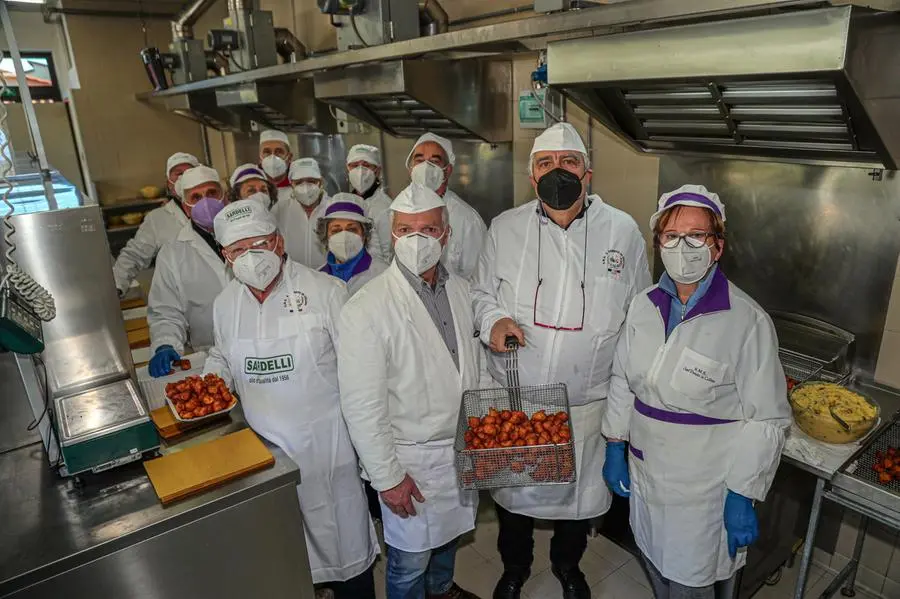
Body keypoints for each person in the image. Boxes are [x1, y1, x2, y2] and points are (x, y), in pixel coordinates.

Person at [471, 122, 651, 599]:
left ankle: (568, 567)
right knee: (515, 498)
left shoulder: (624, 232)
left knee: (577, 500)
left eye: (568, 163)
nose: (558, 172)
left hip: (586, 406)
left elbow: (639, 320)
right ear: (532, 177)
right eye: (545, 163)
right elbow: (481, 295)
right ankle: (515, 568)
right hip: (520, 399)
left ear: (587, 173)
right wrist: (491, 321)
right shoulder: (505, 229)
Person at [601, 184, 791, 599]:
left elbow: (767, 418)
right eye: (671, 236)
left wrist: (743, 491)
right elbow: (622, 379)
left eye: (697, 236)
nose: (682, 246)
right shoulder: (642, 306)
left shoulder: (746, 321)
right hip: (647, 474)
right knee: (653, 565)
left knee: (692, 584)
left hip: (703, 492)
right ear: (659, 243)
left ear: (717, 246)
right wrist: (615, 443)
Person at [204, 199, 379, 599]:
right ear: (225, 256)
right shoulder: (225, 304)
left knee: (345, 551)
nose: (251, 257)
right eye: (238, 250)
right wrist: (212, 377)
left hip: (326, 453)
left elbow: (362, 372)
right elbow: (222, 353)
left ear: (280, 242)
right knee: (284, 557)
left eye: (259, 244)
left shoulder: (326, 292)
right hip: (264, 457)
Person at [338, 184, 484, 599]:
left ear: (447, 234)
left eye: (429, 229)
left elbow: (469, 368)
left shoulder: (460, 289)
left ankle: (442, 591)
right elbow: (362, 407)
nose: (417, 239)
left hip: (459, 447)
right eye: (405, 229)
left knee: (449, 541)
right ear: (392, 234)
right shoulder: (366, 308)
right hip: (410, 460)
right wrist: (387, 478)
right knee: (408, 563)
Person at [147, 165, 231, 378]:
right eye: (196, 197)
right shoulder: (173, 253)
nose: (205, 202)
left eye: (212, 193)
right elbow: (166, 311)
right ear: (186, 208)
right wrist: (165, 343)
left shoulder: (252, 236)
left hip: (265, 347)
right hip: (211, 357)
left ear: (224, 197)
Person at [371, 132, 486, 280]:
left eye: (434, 161)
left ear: (448, 170)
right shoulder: (398, 211)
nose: (425, 167)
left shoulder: (468, 220)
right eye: (419, 160)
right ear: (410, 169)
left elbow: (477, 280)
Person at [112, 152, 199, 296]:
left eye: (190, 172)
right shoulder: (157, 219)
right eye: (178, 174)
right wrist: (117, 285)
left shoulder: (217, 211)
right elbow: (135, 254)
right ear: (168, 182)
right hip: (181, 297)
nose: (183, 178)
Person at [316, 192, 389, 296]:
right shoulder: (318, 277)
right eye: (336, 230)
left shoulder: (384, 274)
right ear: (325, 236)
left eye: (352, 229)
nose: (344, 236)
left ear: (364, 235)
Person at [273, 157, 328, 268]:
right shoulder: (279, 210)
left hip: (328, 276)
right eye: (299, 182)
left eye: (311, 181)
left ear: (320, 182)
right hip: (293, 276)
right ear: (291, 184)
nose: (306, 187)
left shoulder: (333, 208)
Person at [346, 143, 392, 261]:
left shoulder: (386, 207)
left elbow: (388, 253)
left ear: (377, 171)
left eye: (366, 165)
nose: (360, 171)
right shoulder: (345, 203)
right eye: (355, 165)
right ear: (348, 169)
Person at [259, 129, 293, 204]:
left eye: (279, 152)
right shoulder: (253, 184)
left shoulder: (299, 181)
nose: (273, 157)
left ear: (289, 157)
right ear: (260, 158)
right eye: (267, 152)